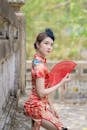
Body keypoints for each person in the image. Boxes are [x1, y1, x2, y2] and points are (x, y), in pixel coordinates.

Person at [24, 28, 70, 130]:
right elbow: (41, 93)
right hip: (36, 107)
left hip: (39, 105)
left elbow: (44, 87)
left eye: (51, 44)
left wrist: (51, 106)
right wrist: (61, 83)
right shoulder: (39, 66)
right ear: (37, 44)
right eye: (46, 43)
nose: (49, 47)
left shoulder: (39, 60)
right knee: (61, 128)